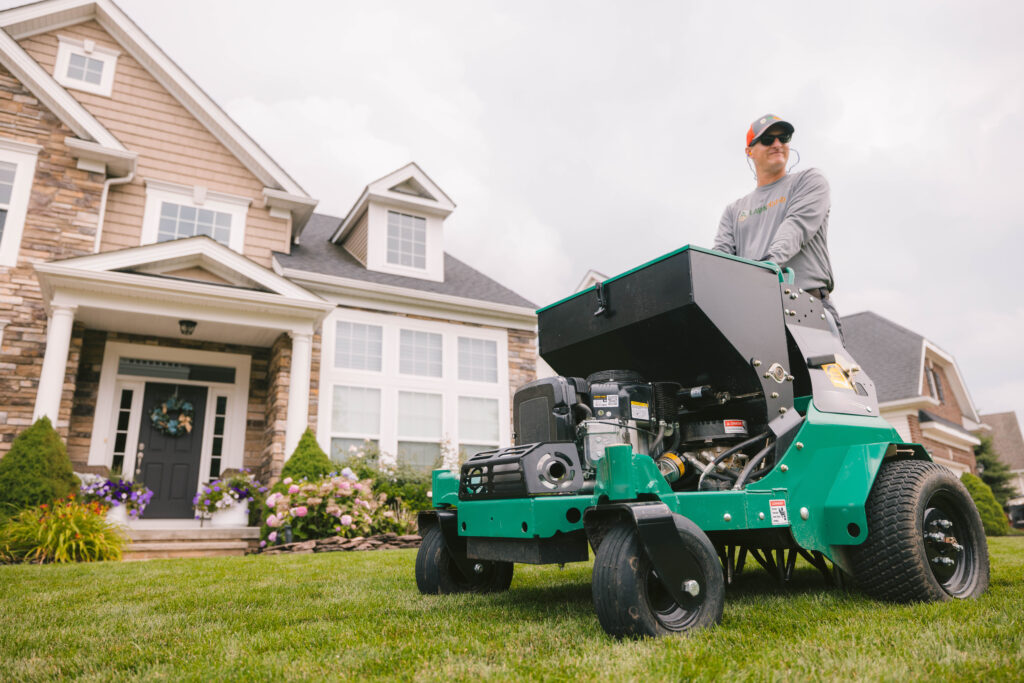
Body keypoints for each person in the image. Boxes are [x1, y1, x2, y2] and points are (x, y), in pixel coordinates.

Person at [713, 114, 843, 341]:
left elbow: (796, 227)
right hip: (755, 317)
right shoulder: (734, 211)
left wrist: (764, 271)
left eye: (783, 138)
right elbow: (720, 263)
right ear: (749, 151)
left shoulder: (809, 181)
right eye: (767, 140)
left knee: (820, 377)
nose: (777, 144)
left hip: (808, 307)